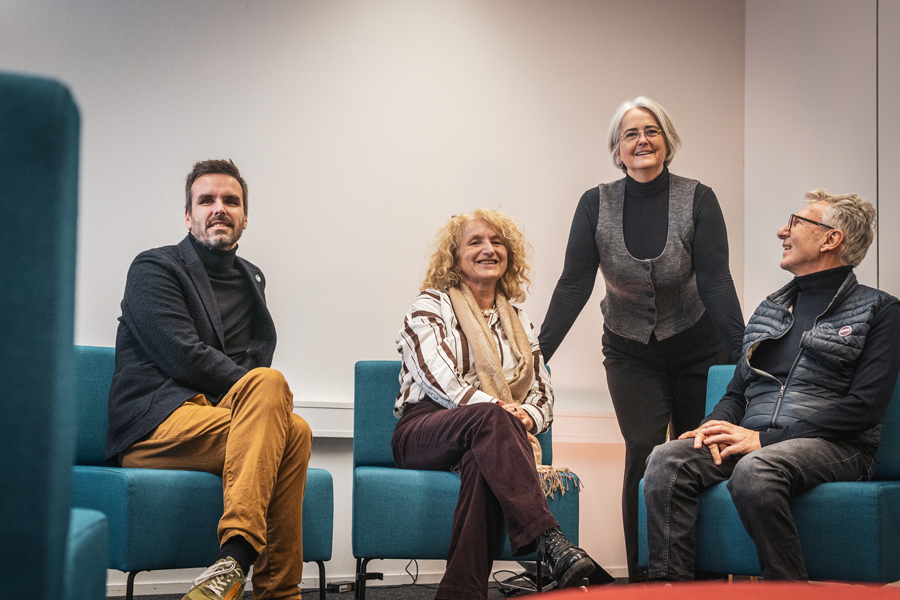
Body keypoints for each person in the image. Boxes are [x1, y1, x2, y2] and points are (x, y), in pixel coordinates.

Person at [643, 189, 900, 581]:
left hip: (837, 445)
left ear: (832, 239)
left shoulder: (881, 310)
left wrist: (762, 441)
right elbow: (736, 392)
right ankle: (669, 589)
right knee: (666, 458)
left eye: (796, 223)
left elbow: (863, 407)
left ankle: (787, 589)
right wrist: (711, 427)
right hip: (756, 437)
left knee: (755, 470)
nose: (783, 231)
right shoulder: (771, 307)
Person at [539, 96, 745, 581]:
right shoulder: (595, 203)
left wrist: (742, 356)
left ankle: (704, 575)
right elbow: (574, 284)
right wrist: (536, 356)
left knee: (699, 454)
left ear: (667, 141)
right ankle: (643, 576)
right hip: (631, 351)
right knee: (644, 450)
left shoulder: (699, 198)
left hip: (699, 347)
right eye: (630, 134)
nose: (642, 140)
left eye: (651, 131)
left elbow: (716, 281)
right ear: (617, 148)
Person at [106, 160, 312, 600]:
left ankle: (254, 583)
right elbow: (182, 355)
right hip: (156, 424)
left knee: (294, 431)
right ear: (188, 215)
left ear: (244, 217)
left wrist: (255, 398)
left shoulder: (251, 279)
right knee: (271, 390)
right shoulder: (154, 268)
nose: (219, 208)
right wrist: (257, 393)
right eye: (207, 200)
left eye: (230, 201)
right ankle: (245, 564)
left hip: (218, 423)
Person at [393, 209, 595, 599]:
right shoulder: (428, 307)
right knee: (488, 418)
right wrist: (501, 411)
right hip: (424, 431)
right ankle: (549, 539)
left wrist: (526, 414)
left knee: (481, 461)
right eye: (475, 242)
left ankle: (460, 592)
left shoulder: (520, 320)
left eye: (497, 242)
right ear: (454, 258)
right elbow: (441, 382)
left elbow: (543, 394)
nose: (489, 249)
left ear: (509, 255)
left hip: (496, 435)